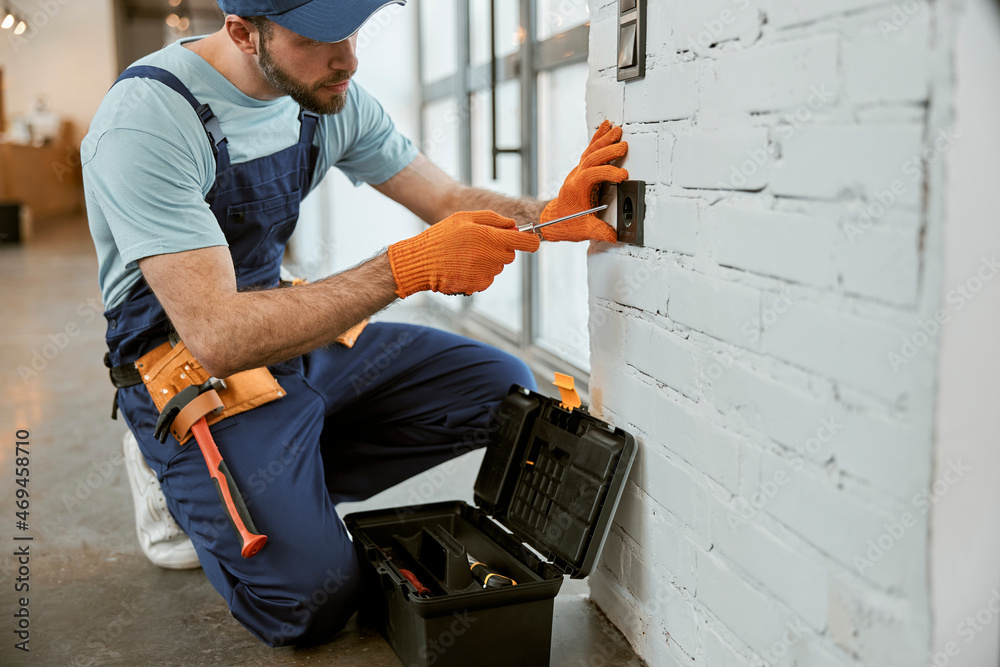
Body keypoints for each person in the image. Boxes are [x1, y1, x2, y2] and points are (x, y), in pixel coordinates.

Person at [82, 0, 629, 648]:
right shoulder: (148, 120)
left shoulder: (325, 94)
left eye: (352, 30)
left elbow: (446, 200)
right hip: (191, 357)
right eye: (318, 38)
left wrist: (548, 212)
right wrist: (404, 269)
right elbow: (219, 333)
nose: (347, 58)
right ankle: (175, 478)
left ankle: (280, 476)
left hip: (288, 329)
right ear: (241, 32)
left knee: (500, 388)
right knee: (310, 602)